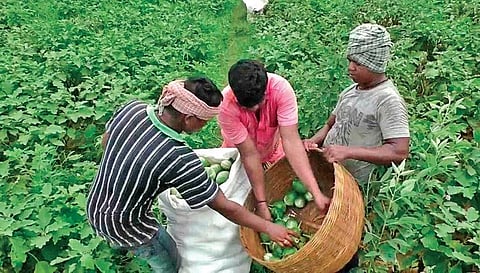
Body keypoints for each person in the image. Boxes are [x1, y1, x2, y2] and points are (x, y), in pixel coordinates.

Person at [86, 77, 297, 273]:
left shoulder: (132, 109)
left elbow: (107, 142)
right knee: (169, 259)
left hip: (96, 200)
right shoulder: (177, 158)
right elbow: (224, 206)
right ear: (188, 118)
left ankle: (117, 244)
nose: (205, 126)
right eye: (203, 120)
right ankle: (130, 247)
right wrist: (270, 227)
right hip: (126, 224)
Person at [303, 23, 410, 272]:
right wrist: (314, 140)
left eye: (358, 63)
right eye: (350, 60)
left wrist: (348, 151)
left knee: (344, 242)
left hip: (355, 187)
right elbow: (331, 123)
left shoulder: (388, 100)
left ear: (375, 65)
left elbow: (399, 150)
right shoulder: (351, 91)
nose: (350, 67)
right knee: (321, 231)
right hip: (331, 176)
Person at [218, 59, 331, 222]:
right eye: (247, 106)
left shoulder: (281, 90)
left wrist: (315, 192)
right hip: (239, 153)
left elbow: (291, 141)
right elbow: (249, 155)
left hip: (272, 148)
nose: (255, 109)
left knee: (281, 181)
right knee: (242, 197)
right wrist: (262, 204)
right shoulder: (226, 106)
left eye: (259, 103)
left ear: (265, 90)